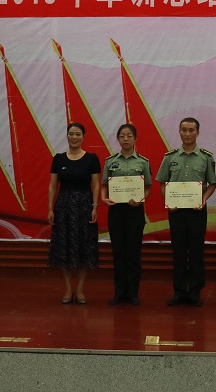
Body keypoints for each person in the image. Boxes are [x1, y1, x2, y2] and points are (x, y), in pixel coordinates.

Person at [155, 117, 216, 306]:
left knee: (196, 252)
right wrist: (169, 201)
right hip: (176, 212)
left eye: (191, 130)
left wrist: (204, 199)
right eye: (184, 130)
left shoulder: (206, 157)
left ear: (198, 132)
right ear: (179, 132)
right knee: (179, 252)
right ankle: (180, 291)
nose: (187, 133)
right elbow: (162, 183)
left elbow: (212, 184)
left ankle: (195, 291)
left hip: (197, 211)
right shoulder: (170, 157)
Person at [47, 122, 101, 305]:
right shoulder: (59, 159)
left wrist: (95, 206)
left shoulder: (91, 159)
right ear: (67, 136)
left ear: (83, 136)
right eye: (71, 134)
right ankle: (68, 288)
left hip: (84, 206)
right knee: (65, 247)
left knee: (85, 247)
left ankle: (80, 289)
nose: (74, 137)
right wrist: (50, 209)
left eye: (78, 134)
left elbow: (96, 185)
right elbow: (53, 186)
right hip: (63, 207)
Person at [101, 123, 152, 306]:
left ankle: (133, 293)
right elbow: (104, 185)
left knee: (133, 253)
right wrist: (103, 198)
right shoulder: (110, 161)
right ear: (118, 139)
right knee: (118, 253)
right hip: (115, 211)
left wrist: (141, 199)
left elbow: (148, 187)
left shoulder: (142, 162)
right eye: (122, 136)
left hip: (135, 211)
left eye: (129, 136)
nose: (125, 139)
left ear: (135, 138)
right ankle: (119, 293)